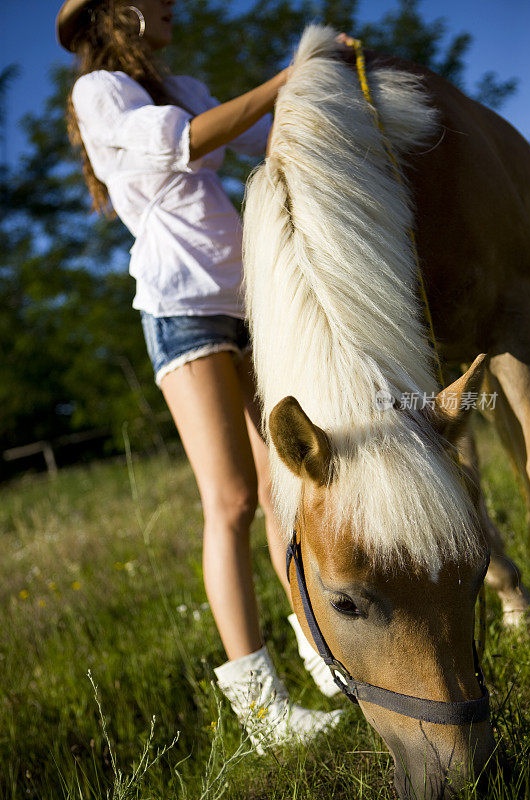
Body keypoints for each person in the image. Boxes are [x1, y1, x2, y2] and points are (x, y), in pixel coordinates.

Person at [56, 0, 345, 750]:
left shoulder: (183, 82)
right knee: (232, 501)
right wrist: (291, 73)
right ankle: (260, 710)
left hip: (246, 295)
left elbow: (257, 133)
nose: (172, 6)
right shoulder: (99, 92)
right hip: (181, 305)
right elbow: (183, 145)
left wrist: (323, 89)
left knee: (285, 483)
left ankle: (320, 649)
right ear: (120, 11)